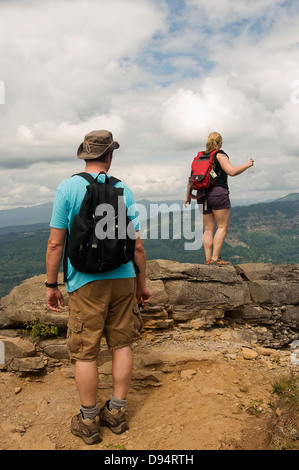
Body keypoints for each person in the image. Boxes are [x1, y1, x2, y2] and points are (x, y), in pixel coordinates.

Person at [45, 130, 151, 445]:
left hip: (84, 282)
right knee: (121, 345)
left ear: (85, 156)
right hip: (122, 279)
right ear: (109, 156)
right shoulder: (123, 190)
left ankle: (89, 420)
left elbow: (55, 244)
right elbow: (138, 246)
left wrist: (52, 284)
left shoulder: (67, 188)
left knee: (86, 352)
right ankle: (117, 413)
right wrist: (141, 285)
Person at [184, 131, 254, 265]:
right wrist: (247, 164)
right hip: (218, 194)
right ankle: (215, 258)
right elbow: (232, 171)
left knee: (208, 229)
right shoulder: (219, 155)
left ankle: (208, 259)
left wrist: (187, 196)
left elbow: (190, 179)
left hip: (201, 195)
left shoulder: (199, 158)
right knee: (222, 226)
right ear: (220, 143)